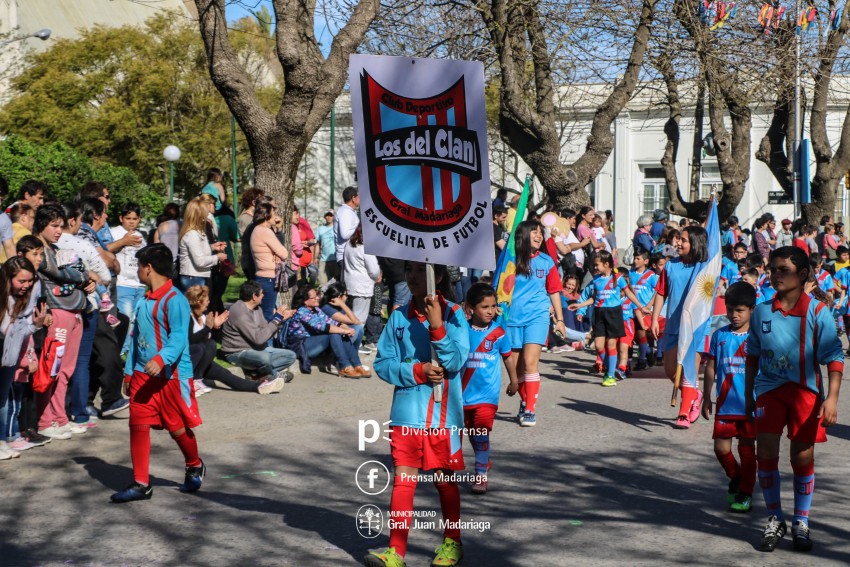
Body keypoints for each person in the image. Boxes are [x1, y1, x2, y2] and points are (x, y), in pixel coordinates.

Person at [366, 261, 469, 567]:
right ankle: (395, 552)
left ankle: (452, 544)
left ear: (436, 275)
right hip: (407, 414)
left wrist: (437, 326)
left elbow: (455, 361)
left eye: (418, 270)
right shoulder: (397, 316)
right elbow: (383, 364)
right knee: (403, 480)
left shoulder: (454, 313)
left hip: (443, 415)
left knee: (443, 479)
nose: (410, 277)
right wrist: (417, 370)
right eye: (408, 270)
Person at [745, 246, 844, 552]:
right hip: (769, 392)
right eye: (772, 269)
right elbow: (752, 355)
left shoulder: (818, 311)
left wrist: (832, 400)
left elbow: (834, 359)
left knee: (801, 457)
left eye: (782, 270)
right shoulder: (761, 311)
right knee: (766, 453)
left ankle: (801, 520)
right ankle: (775, 517)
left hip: (806, 394)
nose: (775, 275)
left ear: (802, 275)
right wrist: (750, 394)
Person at [110, 244, 205, 503]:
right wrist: (129, 372)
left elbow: (178, 339)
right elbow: (136, 337)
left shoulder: (175, 300)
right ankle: (141, 484)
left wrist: (161, 359)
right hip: (143, 375)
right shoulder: (143, 299)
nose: (137, 271)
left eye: (139, 266)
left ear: (148, 268)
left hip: (171, 376)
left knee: (177, 428)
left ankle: (194, 464)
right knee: (137, 424)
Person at [701, 281, 757, 514]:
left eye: (740, 310)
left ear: (751, 310)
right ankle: (737, 478)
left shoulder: (757, 337)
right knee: (721, 449)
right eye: (730, 309)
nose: (734, 315)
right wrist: (706, 397)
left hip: (750, 405)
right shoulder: (719, 335)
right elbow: (711, 367)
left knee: (746, 450)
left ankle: (745, 493)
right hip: (725, 403)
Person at [58, 201, 112, 428]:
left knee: (56, 361)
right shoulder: (81, 244)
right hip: (84, 307)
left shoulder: (45, 245)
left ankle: (55, 413)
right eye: (79, 221)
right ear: (72, 221)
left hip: (56, 307)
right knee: (80, 361)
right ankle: (78, 412)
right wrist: (93, 278)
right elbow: (105, 275)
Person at [507, 220, 566, 426]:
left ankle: (530, 409)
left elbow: (554, 291)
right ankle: (525, 402)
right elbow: (498, 288)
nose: (539, 236)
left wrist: (559, 320)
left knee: (531, 364)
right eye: (534, 232)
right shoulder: (509, 259)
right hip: (511, 319)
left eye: (541, 233)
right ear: (523, 235)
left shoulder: (546, 261)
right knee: (517, 369)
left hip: (538, 316)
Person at [651, 225, 711, 429]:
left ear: (695, 243)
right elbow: (661, 292)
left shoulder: (705, 267)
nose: (677, 243)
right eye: (678, 239)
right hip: (673, 325)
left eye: (683, 240)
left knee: (687, 370)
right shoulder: (670, 266)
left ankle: (684, 413)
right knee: (670, 370)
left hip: (696, 325)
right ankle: (694, 392)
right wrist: (653, 319)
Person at [462, 283, 518, 494]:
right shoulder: (461, 329)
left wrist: (514, 381)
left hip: (487, 395)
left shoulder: (499, 333)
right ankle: (483, 461)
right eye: (485, 307)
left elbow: (508, 358)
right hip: (464, 393)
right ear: (470, 308)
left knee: (481, 431)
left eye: (493, 306)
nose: (491, 311)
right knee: (472, 433)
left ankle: (480, 475)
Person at [185, 285, 286, 395]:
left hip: (202, 362)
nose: (209, 302)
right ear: (199, 302)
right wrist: (208, 328)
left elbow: (205, 338)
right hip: (189, 361)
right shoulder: (188, 318)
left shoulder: (204, 317)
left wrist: (215, 328)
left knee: (226, 375)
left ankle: (260, 386)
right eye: (207, 300)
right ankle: (194, 381)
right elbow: (190, 341)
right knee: (209, 345)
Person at [0, 258, 50, 459]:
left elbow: (18, 332)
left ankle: (2, 439)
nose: (27, 286)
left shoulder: (22, 298)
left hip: (9, 354)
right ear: (7, 278)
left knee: (2, 399)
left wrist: (36, 325)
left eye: (30, 281)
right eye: (22, 281)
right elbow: (7, 329)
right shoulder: (5, 299)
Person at [571, 251, 644, 385]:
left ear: (606, 264)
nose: (595, 267)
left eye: (597, 265)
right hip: (599, 314)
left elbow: (629, 293)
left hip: (614, 314)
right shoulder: (596, 280)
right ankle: (611, 366)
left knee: (611, 344)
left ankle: (610, 375)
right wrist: (581, 305)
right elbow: (594, 297)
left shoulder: (618, 278)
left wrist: (640, 306)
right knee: (598, 346)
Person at [220, 280, 296, 380]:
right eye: (261, 293)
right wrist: (276, 319)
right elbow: (258, 339)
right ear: (254, 297)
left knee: (290, 355)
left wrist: (280, 320)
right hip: (238, 352)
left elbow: (265, 331)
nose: (263, 295)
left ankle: (257, 374)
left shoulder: (257, 309)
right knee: (264, 358)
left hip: (256, 348)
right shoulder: (240, 313)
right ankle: (274, 376)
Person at [284, 286, 367, 377]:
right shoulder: (301, 312)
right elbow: (324, 327)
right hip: (302, 345)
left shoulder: (316, 309)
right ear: (305, 301)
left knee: (347, 330)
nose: (318, 298)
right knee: (335, 333)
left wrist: (343, 326)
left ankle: (357, 365)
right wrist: (344, 330)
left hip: (314, 340)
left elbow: (330, 322)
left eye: (317, 295)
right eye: (314, 297)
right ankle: (344, 366)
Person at [111, 202, 147, 354]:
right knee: (124, 318)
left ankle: (130, 350)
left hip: (138, 284)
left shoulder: (141, 236)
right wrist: (123, 242)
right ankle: (121, 350)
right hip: (123, 283)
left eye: (135, 218)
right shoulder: (114, 233)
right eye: (128, 218)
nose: (132, 221)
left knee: (135, 320)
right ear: (121, 218)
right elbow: (107, 249)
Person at [250, 202, 289, 321]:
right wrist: (277, 253)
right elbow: (284, 253)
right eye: (273, 213)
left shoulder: (256, 229)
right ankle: (268, 340)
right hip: (268, 278)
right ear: (266, 216)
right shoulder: (265, 231)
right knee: (268, 316)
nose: (275, 216)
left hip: (263, 277)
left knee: (265, 314)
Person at [178, 198, 227, 291]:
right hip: (193, 277)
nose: (207, 215)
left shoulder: (197, 231)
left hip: (197, 276)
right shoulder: (192, 234)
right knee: (196, 305)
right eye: (205, 212)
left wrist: (212, 247)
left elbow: (197, 250)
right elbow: (199, 261)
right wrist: (218, 257)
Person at [343, 224, 381, 325]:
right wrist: (377, 276)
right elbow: (374, 270)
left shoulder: (348, 244)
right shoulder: (366, 247)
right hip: (362, 287)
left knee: (350, 317)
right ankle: (355, 340)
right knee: (359, 320)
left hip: (349, 284)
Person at [631, 250, 658, 370]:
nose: (635, 261)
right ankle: (648, 351)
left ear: (646, 261)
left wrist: (650, 304)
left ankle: (642, 360)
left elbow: (658, 291)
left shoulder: (651, 275)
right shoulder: (630, 273)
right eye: (634, 258)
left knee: (641, 333)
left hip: (644, 310)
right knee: (633, 335)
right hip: (631, 308)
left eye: (638, 259)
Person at [211, 204, 239, 312]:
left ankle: (215, 309)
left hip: (212, 258)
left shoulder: (213, 219)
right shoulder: (228, 219)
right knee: (220, 290)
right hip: (225, 259)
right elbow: (236, 237)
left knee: (214, 290)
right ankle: (218, 310)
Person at [334, 186, 360, 276]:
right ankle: (324, 289)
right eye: (359, 196)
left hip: (350, 256)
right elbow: (345, 234)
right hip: (346, 257)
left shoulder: (349, 211)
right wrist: (359, 229)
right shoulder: (345, 212)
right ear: (353, 198)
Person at [315, 210, 338, 285]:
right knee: (322, 282)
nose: (329, 217)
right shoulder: (321, 229)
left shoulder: (337, 227)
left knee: (336, 282)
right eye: (327, 215)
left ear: (334, 217)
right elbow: (317, 244)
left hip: (335, 259)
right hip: (323, 259)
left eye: (331, 215)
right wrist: (315, 257)